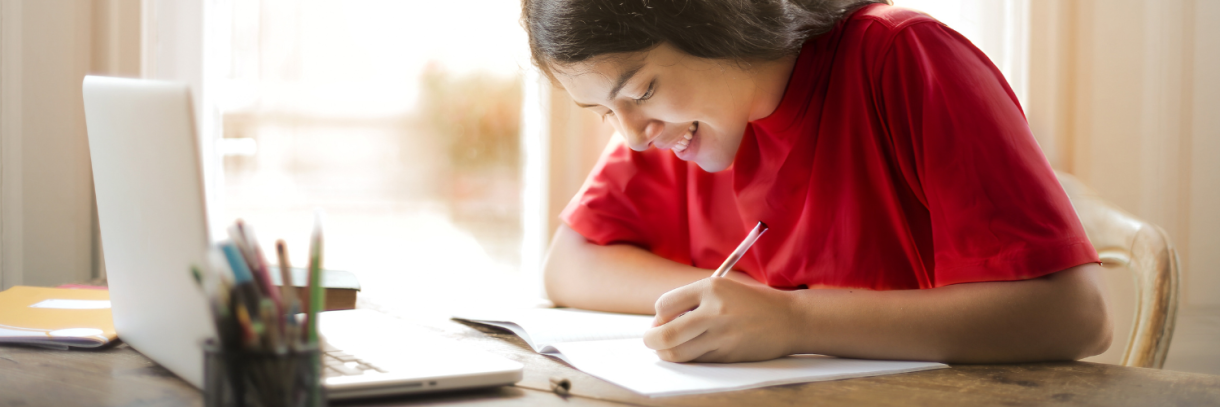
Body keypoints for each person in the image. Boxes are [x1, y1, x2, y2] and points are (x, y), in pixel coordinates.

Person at [525, 0, 1112, 364]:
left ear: (719, 19)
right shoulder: (678, 126)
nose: (630, 135)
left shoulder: (902, 57)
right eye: (603, 110)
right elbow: (571, 263)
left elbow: (1075, 316)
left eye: (641, 90)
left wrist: (791, 320)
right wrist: (730, 307)